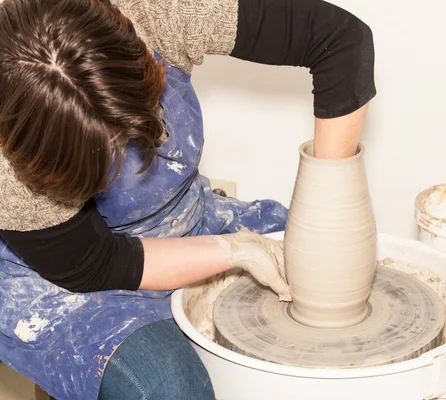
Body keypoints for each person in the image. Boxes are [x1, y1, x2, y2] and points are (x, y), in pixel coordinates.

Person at [0, 0, 376, 398]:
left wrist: (329, 202)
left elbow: (340, 40)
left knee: (322, 270)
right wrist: (232, 251)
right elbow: (95, 264)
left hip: (182, 218)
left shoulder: (158, 11)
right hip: (54, 274)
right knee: (172, 387)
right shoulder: (7, 174)